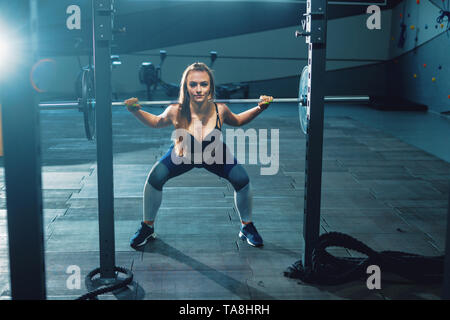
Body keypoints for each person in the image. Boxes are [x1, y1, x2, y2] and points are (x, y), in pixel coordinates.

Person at [125, 62, 273, 249]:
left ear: (210, 86)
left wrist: (260, 108)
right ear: (185, 87)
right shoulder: (175, 110)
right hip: (182, 155)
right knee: (155, 178)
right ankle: (147, 227)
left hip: (215, 155)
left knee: (242, 179)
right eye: (193, 84)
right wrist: (135, 110)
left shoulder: (220, 109)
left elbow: (238, 121)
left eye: (203, 84)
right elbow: (156, 122)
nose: (198, 89)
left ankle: (246, 226)